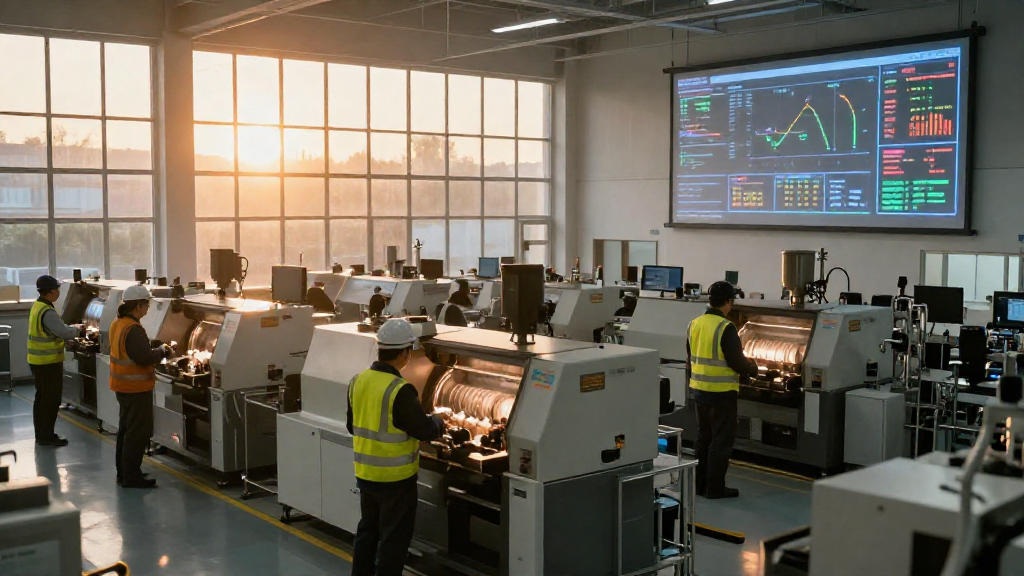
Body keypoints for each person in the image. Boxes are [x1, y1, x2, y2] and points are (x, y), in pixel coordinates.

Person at [346, 318, 445, 576]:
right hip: (396, 481)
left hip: (366, 475)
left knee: (367, 532)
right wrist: (438, 421)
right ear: (403, 353)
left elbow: (351, 425)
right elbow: (423, 431)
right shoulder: (399, 390)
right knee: (393, 541)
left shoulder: (358, 380)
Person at [687, 281, 759, 499]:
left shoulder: (694, 324)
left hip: (699, 391)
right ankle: (715, 488)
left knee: (703, 438)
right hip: (721, 393)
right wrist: (753, 368)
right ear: (728, 302)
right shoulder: (726, 328)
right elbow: (736, 362)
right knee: (721, 441)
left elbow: (691, 355)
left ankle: (699, 486)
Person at [109, 285, 172, 489]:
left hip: (122, 386)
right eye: (146, 304)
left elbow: (134, 349)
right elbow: (144, 357)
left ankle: (124, 472)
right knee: (137, 433)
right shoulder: (133, 329)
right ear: (137, 306)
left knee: (126, 430)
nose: (147, 308)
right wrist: (162, 351)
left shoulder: (118, 323)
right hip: (135, 388)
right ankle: (132, 477)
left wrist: (151, 345)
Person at [27, 275, 82, 447]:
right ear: (49, 292)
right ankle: (47, 436)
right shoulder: (47, 311)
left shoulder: (38, 306)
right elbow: (63, 331)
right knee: (50, 401)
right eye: (56, 289)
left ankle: (42, 434)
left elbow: (50, 333)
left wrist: (65, 340)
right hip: (48, 363)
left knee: (41, 399)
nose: (58, 292)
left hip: (38, 361)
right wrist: (79, 330)